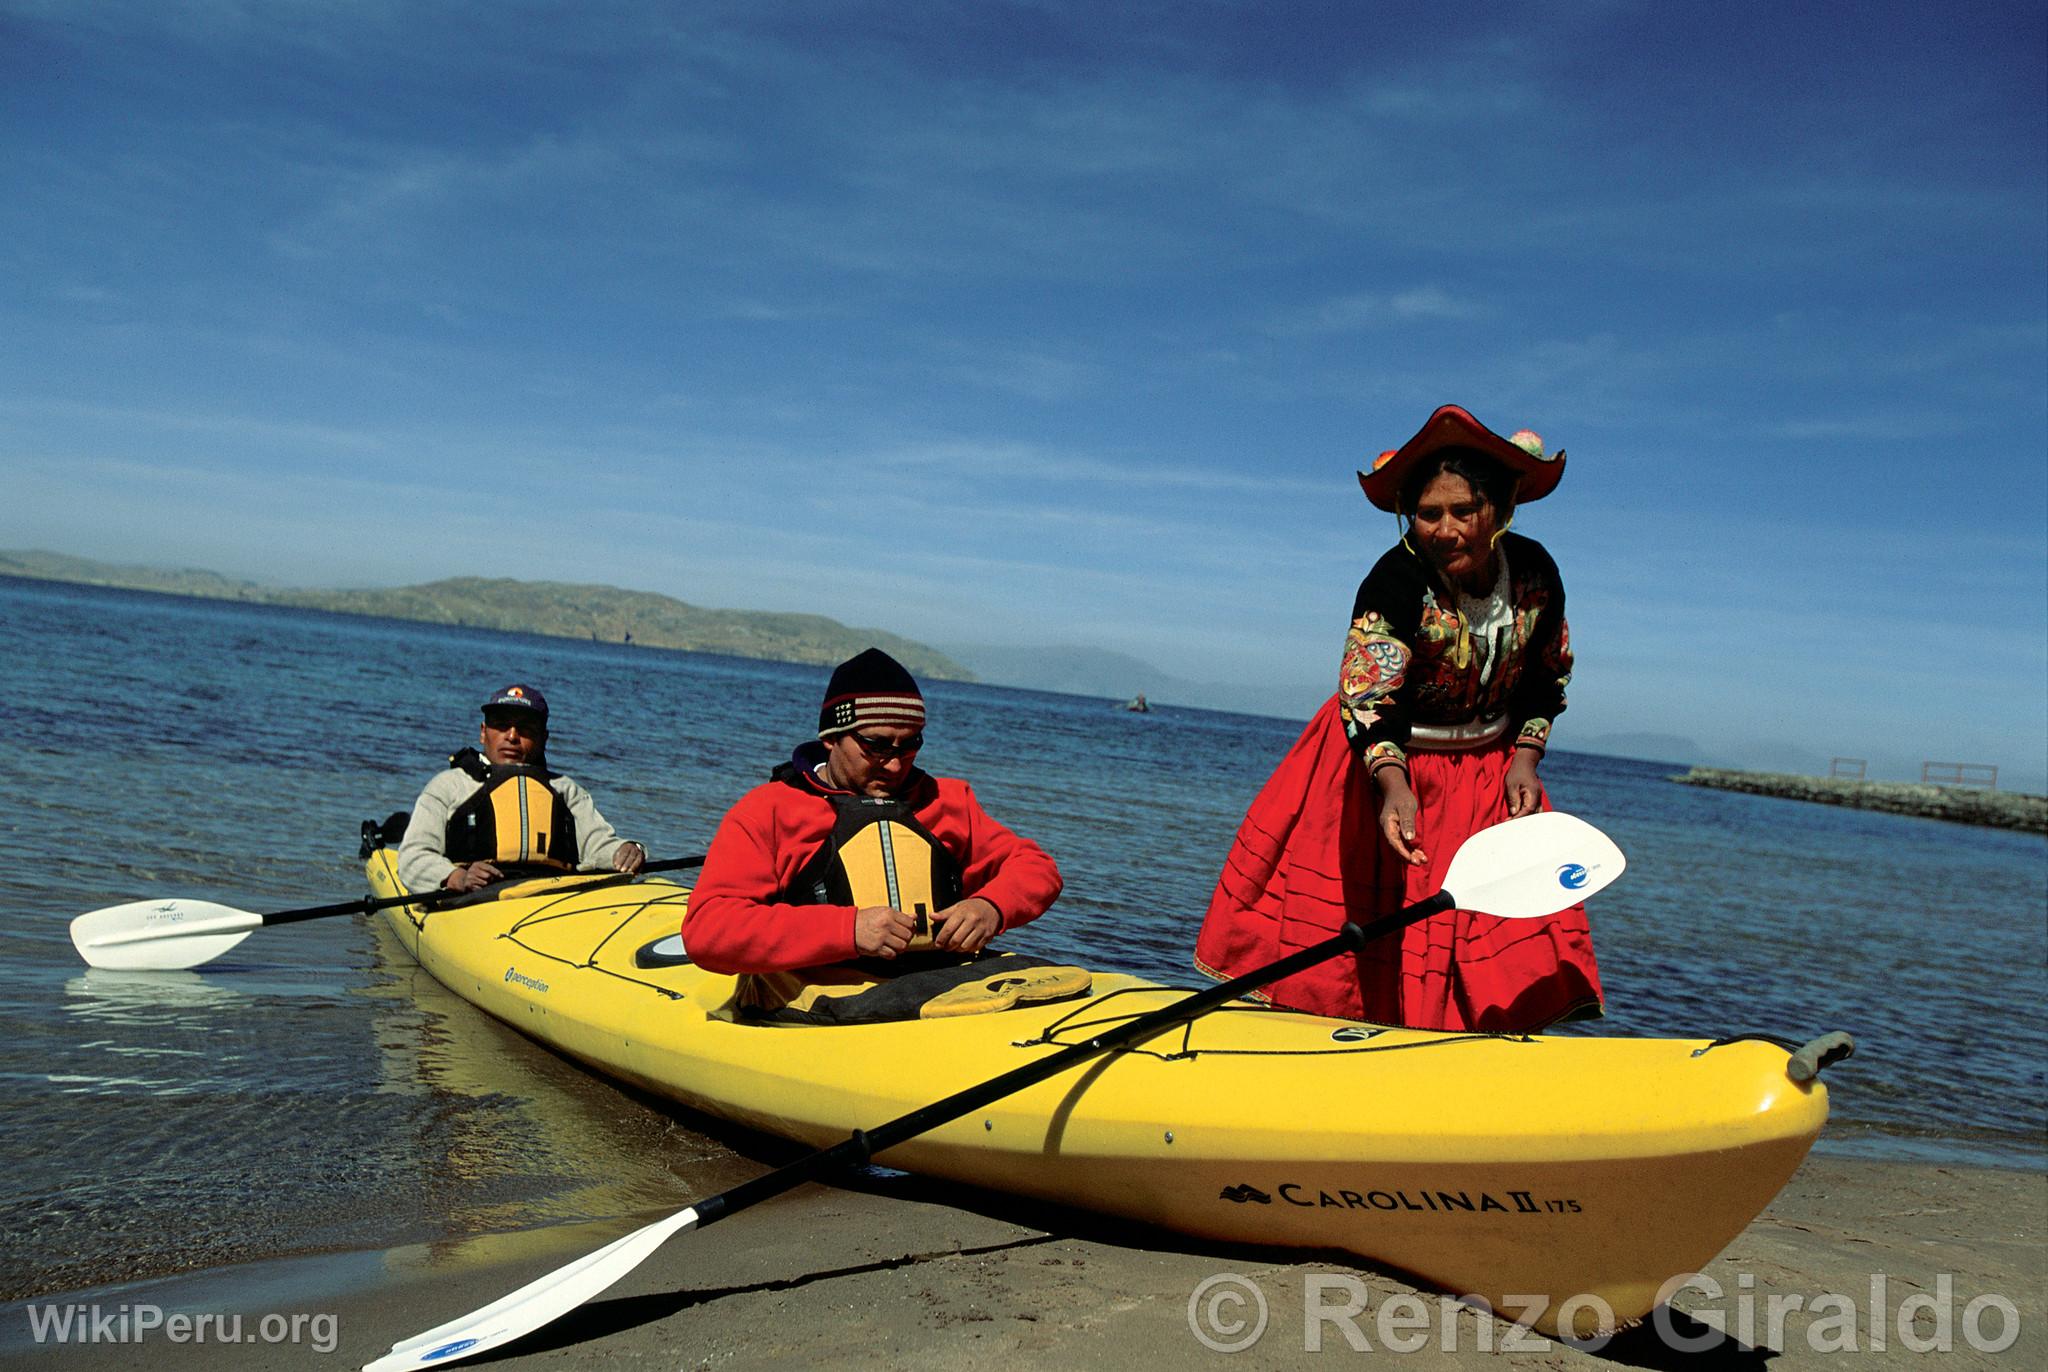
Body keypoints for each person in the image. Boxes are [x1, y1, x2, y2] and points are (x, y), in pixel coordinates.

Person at [1195, 404, 1602, 1032]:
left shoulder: (1537, 574)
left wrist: (1526, 754)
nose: (1445, 530)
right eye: (1428, 513)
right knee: (1366, 936)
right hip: (1379, 764)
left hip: (1486, 775)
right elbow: (1367, 693)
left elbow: (1549, 673)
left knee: (1495, 934)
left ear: (1498, 510)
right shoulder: (1394, 579)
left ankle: (1485, 1063)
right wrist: (1393, 785)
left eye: (1463, 511)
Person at [684, 648, 1062, 996]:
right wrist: (848, 930)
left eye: (910, 745)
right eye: (877, 746)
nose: (896, 765)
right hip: (816, 1008)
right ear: (832, 737)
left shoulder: (948, 801)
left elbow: (1037, 869)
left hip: (937, 995)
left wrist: (990, 908)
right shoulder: (768, 810)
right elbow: (708, 931)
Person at [397, 684, 646, 893]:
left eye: (525, 728)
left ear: (543, 738)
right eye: (502, 725)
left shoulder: (565, 790)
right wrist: (456, 877)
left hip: (550, 897)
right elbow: (413, 857)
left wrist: (625, 850)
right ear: (484, 733)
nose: (512, 736)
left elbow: (597, 844)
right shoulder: (449, 786)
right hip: (471, 901)